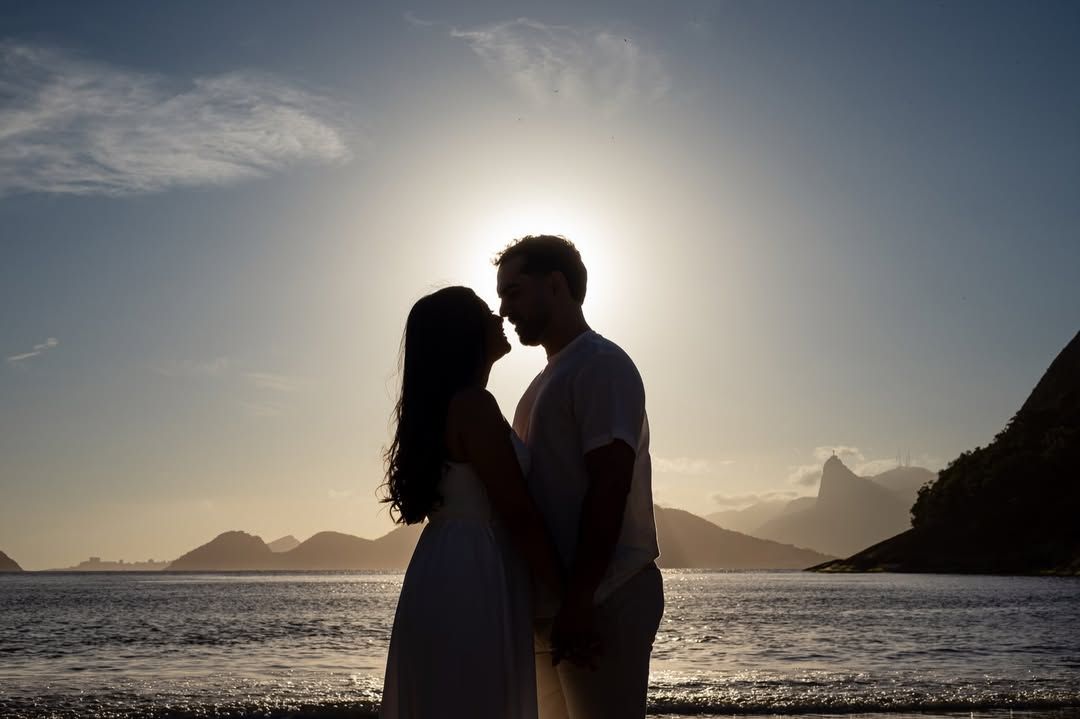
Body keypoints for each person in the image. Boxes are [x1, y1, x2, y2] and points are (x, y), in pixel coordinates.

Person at [495, 235, 664, 719]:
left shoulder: (601, 365)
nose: (504, 308)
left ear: (555, 285)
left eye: (513, 291)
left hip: (602, 597)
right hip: (558, 603)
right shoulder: (544, 382)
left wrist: (580, 599)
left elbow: (609, 484)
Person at [379, 286, 564, 719]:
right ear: (463, 334)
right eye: (485, 312)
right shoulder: (473, 407)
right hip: (473, 570)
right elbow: (517, 510)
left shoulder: (446, 409)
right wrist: (569, 598)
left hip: (445, 565)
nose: (499, 316)